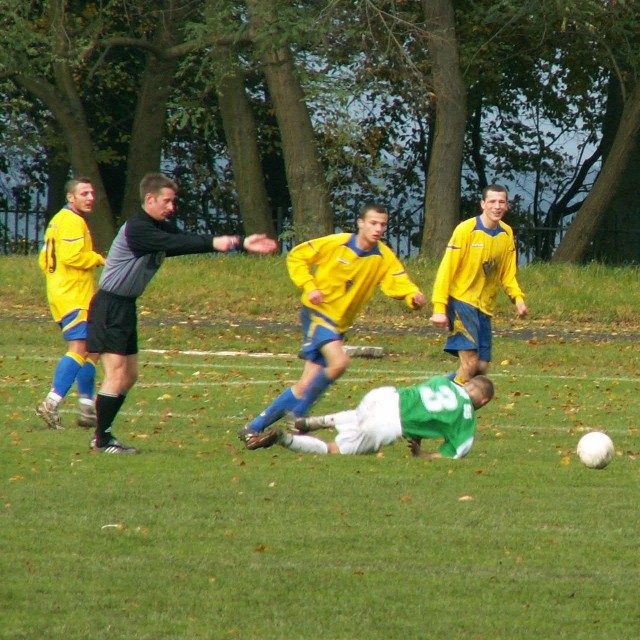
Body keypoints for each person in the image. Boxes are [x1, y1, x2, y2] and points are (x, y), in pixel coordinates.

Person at [87, 172, 278, 454]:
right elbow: (177, 244)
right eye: (166, 201)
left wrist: (237, 243)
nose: (171, 207)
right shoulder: (138, 228)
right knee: (116, 374)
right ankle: (102, 441)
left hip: (125, 306)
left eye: (173, 201)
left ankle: (103, 435)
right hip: (109, 306)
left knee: (130, 375)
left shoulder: (158, 227)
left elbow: (186, 240)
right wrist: (223, 242)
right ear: (149, 199)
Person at [239, 202, 427, 450]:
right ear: (360, 223)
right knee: (339, 363)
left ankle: (252, 428)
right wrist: (310, 286)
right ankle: (299, 416)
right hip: (318, 314)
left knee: (305, 384)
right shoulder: (337, 243)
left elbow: (399, 281)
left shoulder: (383, 256)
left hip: (338, 325)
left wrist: (412, 297)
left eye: (382, 224)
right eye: (373, 223)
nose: (378, 228)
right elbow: (297, 255)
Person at [254, 375, 494, 458]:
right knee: (334, 449)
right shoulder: (467, 418)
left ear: (468, 383)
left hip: (385, 395)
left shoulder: (445, 382)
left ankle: (311, 422)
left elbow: (424, 407)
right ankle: (283, 438)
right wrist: (422, 454)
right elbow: (453, 455)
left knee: (361, 416)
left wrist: (418, 433)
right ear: (483, 401)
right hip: (389, 424)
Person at [430, 184, 528, 386]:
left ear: (507, 206)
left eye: (501, 202)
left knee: (481, 368)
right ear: (483, 204)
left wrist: (518, 299)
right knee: (471, 364)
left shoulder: (506, 233)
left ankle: (436, 389)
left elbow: (508, 274)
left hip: (485, 308)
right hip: (461, 302)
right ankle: (451, 409)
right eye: (492, 201)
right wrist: (439, 308)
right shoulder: (466, 230)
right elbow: (446, 270)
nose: (497, 206)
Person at [36, 177, 105, 430]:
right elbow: (72, 255)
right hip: (74, 294)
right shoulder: (73, 221)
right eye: (84, 193)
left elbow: (45, 259)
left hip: (63, 292)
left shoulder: (56, 221)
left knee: (93, 348)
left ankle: (87, 407)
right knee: (79, 347)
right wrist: (98, 259)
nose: (90, 198)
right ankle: (51, 403)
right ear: (70, 197)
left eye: (91, 193)